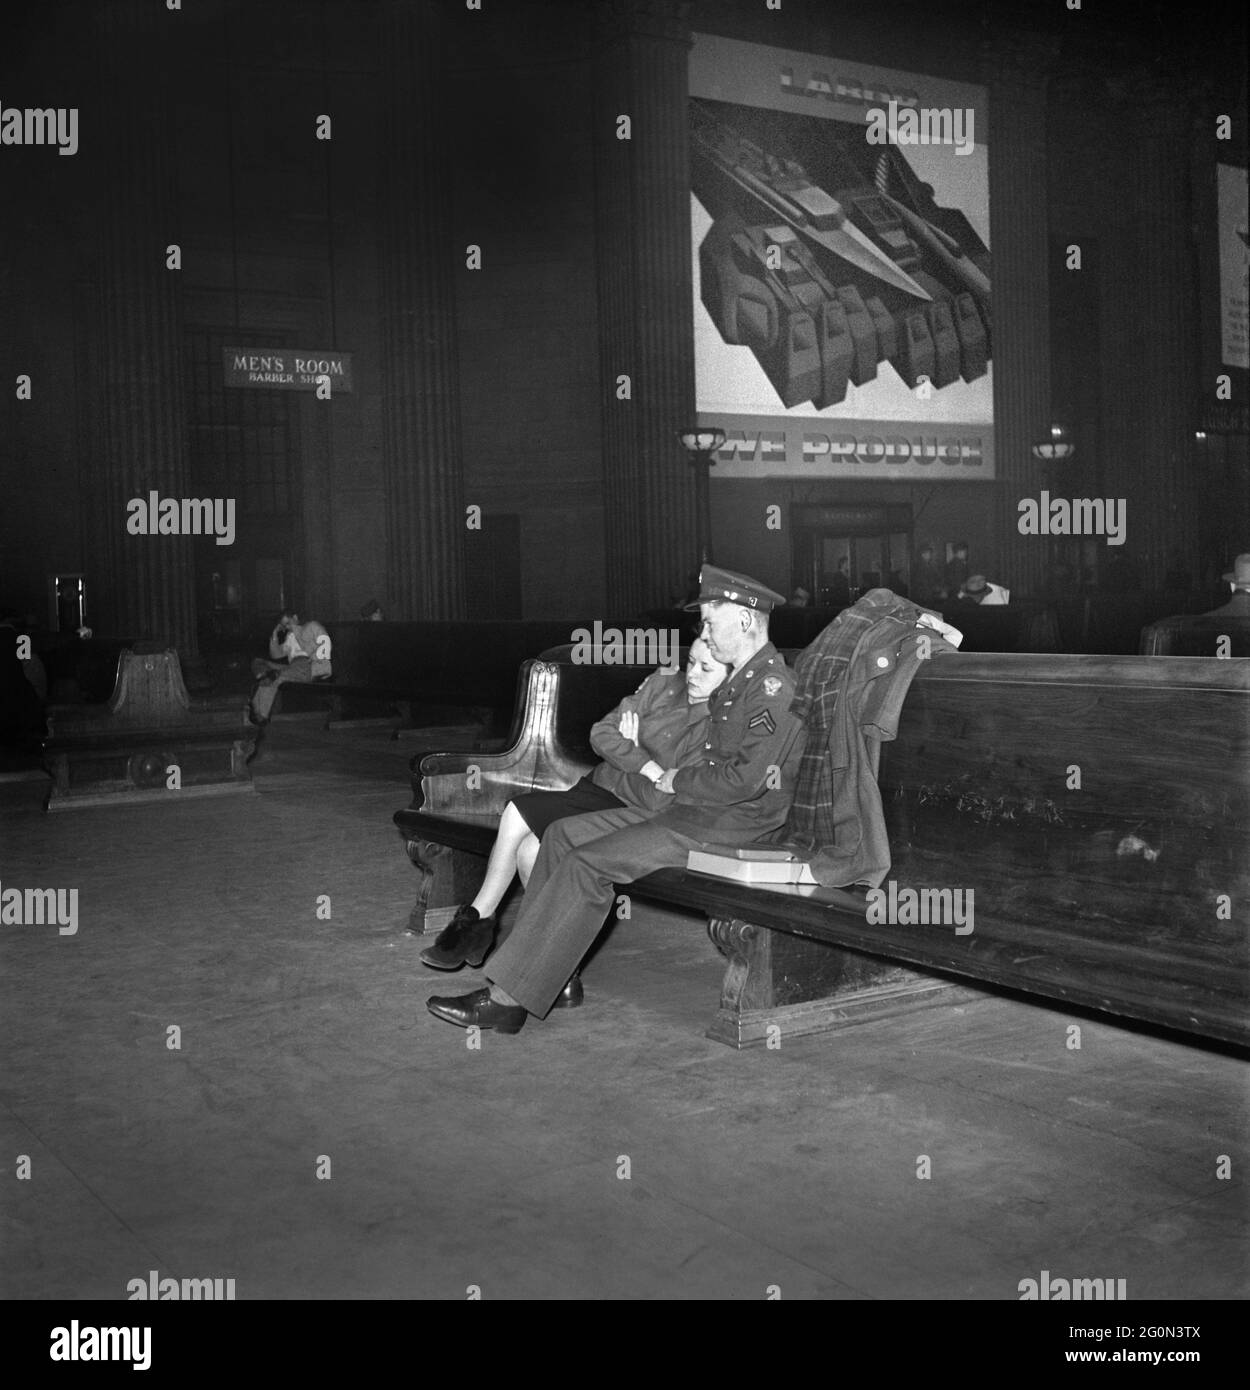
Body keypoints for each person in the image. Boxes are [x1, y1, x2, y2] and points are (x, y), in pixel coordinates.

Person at [425, 564, 807, 1034]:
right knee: (562, 835)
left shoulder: (771, 687)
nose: (704, 632)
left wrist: (672, 779)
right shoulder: (741, 681)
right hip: (697, 812)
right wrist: (669, 775)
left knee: (588, 864)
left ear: (746, 621)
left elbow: (744, 781)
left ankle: (507, 1000)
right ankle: (546, 974)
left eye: (710, 620)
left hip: (729, 826)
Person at [419, 638, 730, 982]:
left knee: (531, 847)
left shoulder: (718, 722)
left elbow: (660, 799)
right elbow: (601, 734)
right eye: (690, 662)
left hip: (631, 808)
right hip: (598, 788)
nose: (692, 675)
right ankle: (535, 955)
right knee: (518, 819)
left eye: (706, 668)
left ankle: (499, 936)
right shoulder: (661, 684)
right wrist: (647, 765)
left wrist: (633, 748)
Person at [249, 609, 332, 726]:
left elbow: (323, 644)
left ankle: (260, 712)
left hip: (307, 665)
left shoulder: (310, 627)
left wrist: (317, 662)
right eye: (284, 625)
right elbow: (275, 655)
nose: (287, 627)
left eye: (288, 623)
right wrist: (274, 635)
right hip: (291, 666)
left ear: (295, 617)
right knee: (258, 661)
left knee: (278, 676)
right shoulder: (290, 636)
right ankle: (267, 675)